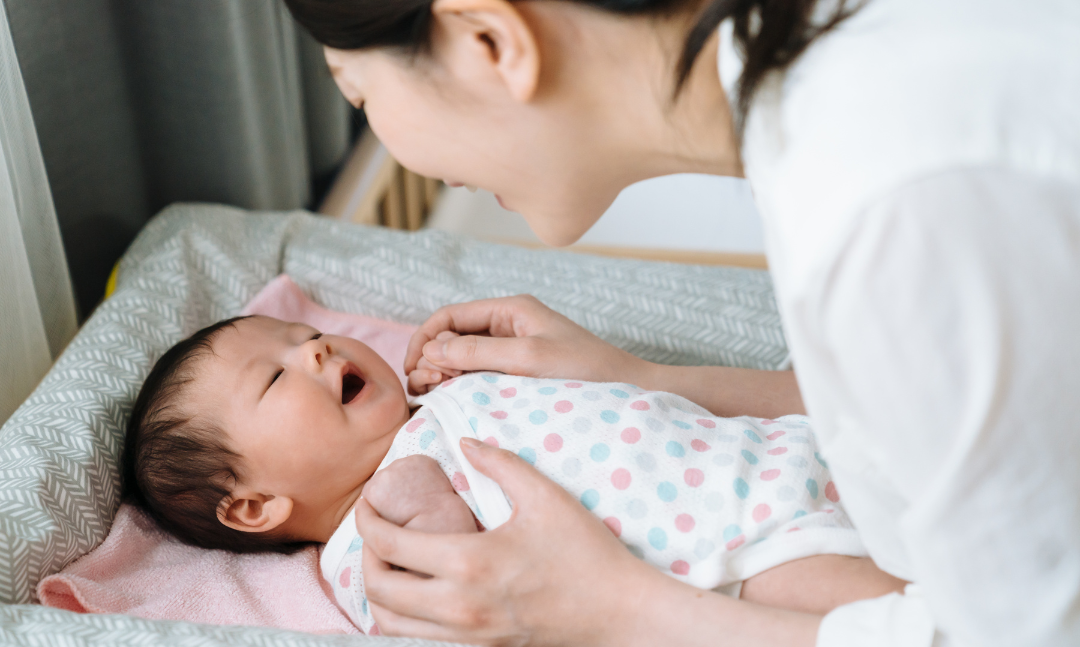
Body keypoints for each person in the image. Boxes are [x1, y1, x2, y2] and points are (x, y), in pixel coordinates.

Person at [266, 0, 1080, 645]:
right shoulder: (833, 58)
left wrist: (617, 607)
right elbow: (941, 404)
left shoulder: (888, 202)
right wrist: (643, 381)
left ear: (488, 41)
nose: (397, 153)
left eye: (361, 97)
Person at [122, 314, 904, 634]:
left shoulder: (444, 402)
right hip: (741, 558)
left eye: (308, 334)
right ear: (255, 506)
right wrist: (421, 504)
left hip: (773, 448)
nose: (317, 351)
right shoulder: (367, 546)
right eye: (275, 379)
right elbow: (457, 611)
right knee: (908, 611)